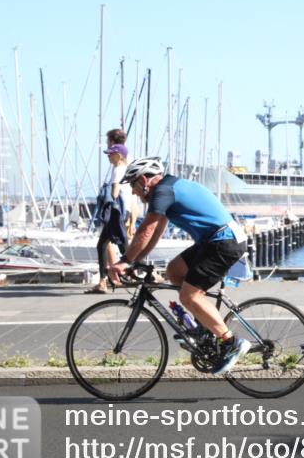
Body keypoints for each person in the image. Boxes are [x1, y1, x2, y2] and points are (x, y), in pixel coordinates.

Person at [107, 157, 251, 375]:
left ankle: (231, 342)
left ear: (144, 180)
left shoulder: (162, 192)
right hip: (214, 241)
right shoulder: (168, 189)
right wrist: (136, 260)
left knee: (190, 296)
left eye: (134, 185)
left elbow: (146, 230)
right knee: (174, 271)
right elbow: (156, 232)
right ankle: (204, 328)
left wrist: (125, 261)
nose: (134, 193)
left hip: (224, 241)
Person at [87, 143, 131, 293]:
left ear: (118, 155)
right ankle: (106, 280)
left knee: (114, 246)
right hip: (124, 212)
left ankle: (104, 281)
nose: (108, 156)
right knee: (114, 244)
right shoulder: (127, 169)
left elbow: (114, 192)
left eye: (111, 154)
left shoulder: (118, 169)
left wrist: (107, 194)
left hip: (115, 213)